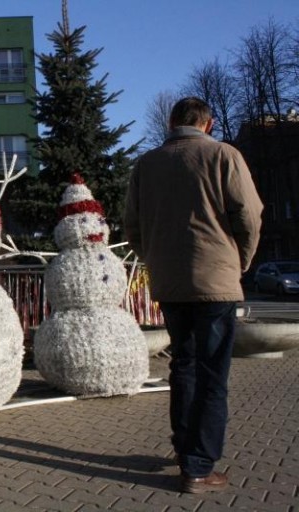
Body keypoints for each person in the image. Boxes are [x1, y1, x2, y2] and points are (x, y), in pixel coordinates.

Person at [123, 97, 263, 494]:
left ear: (172, 123)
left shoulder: (146, 164)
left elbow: (132, 223)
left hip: (169, 282)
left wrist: (153, 256)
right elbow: (249, 215)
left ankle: (185, 449)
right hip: (215, 280)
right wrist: (242, 260)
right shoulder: (224, 155)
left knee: (182, 364)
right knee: (213, 373)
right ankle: (199, 467)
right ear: (209, 123)